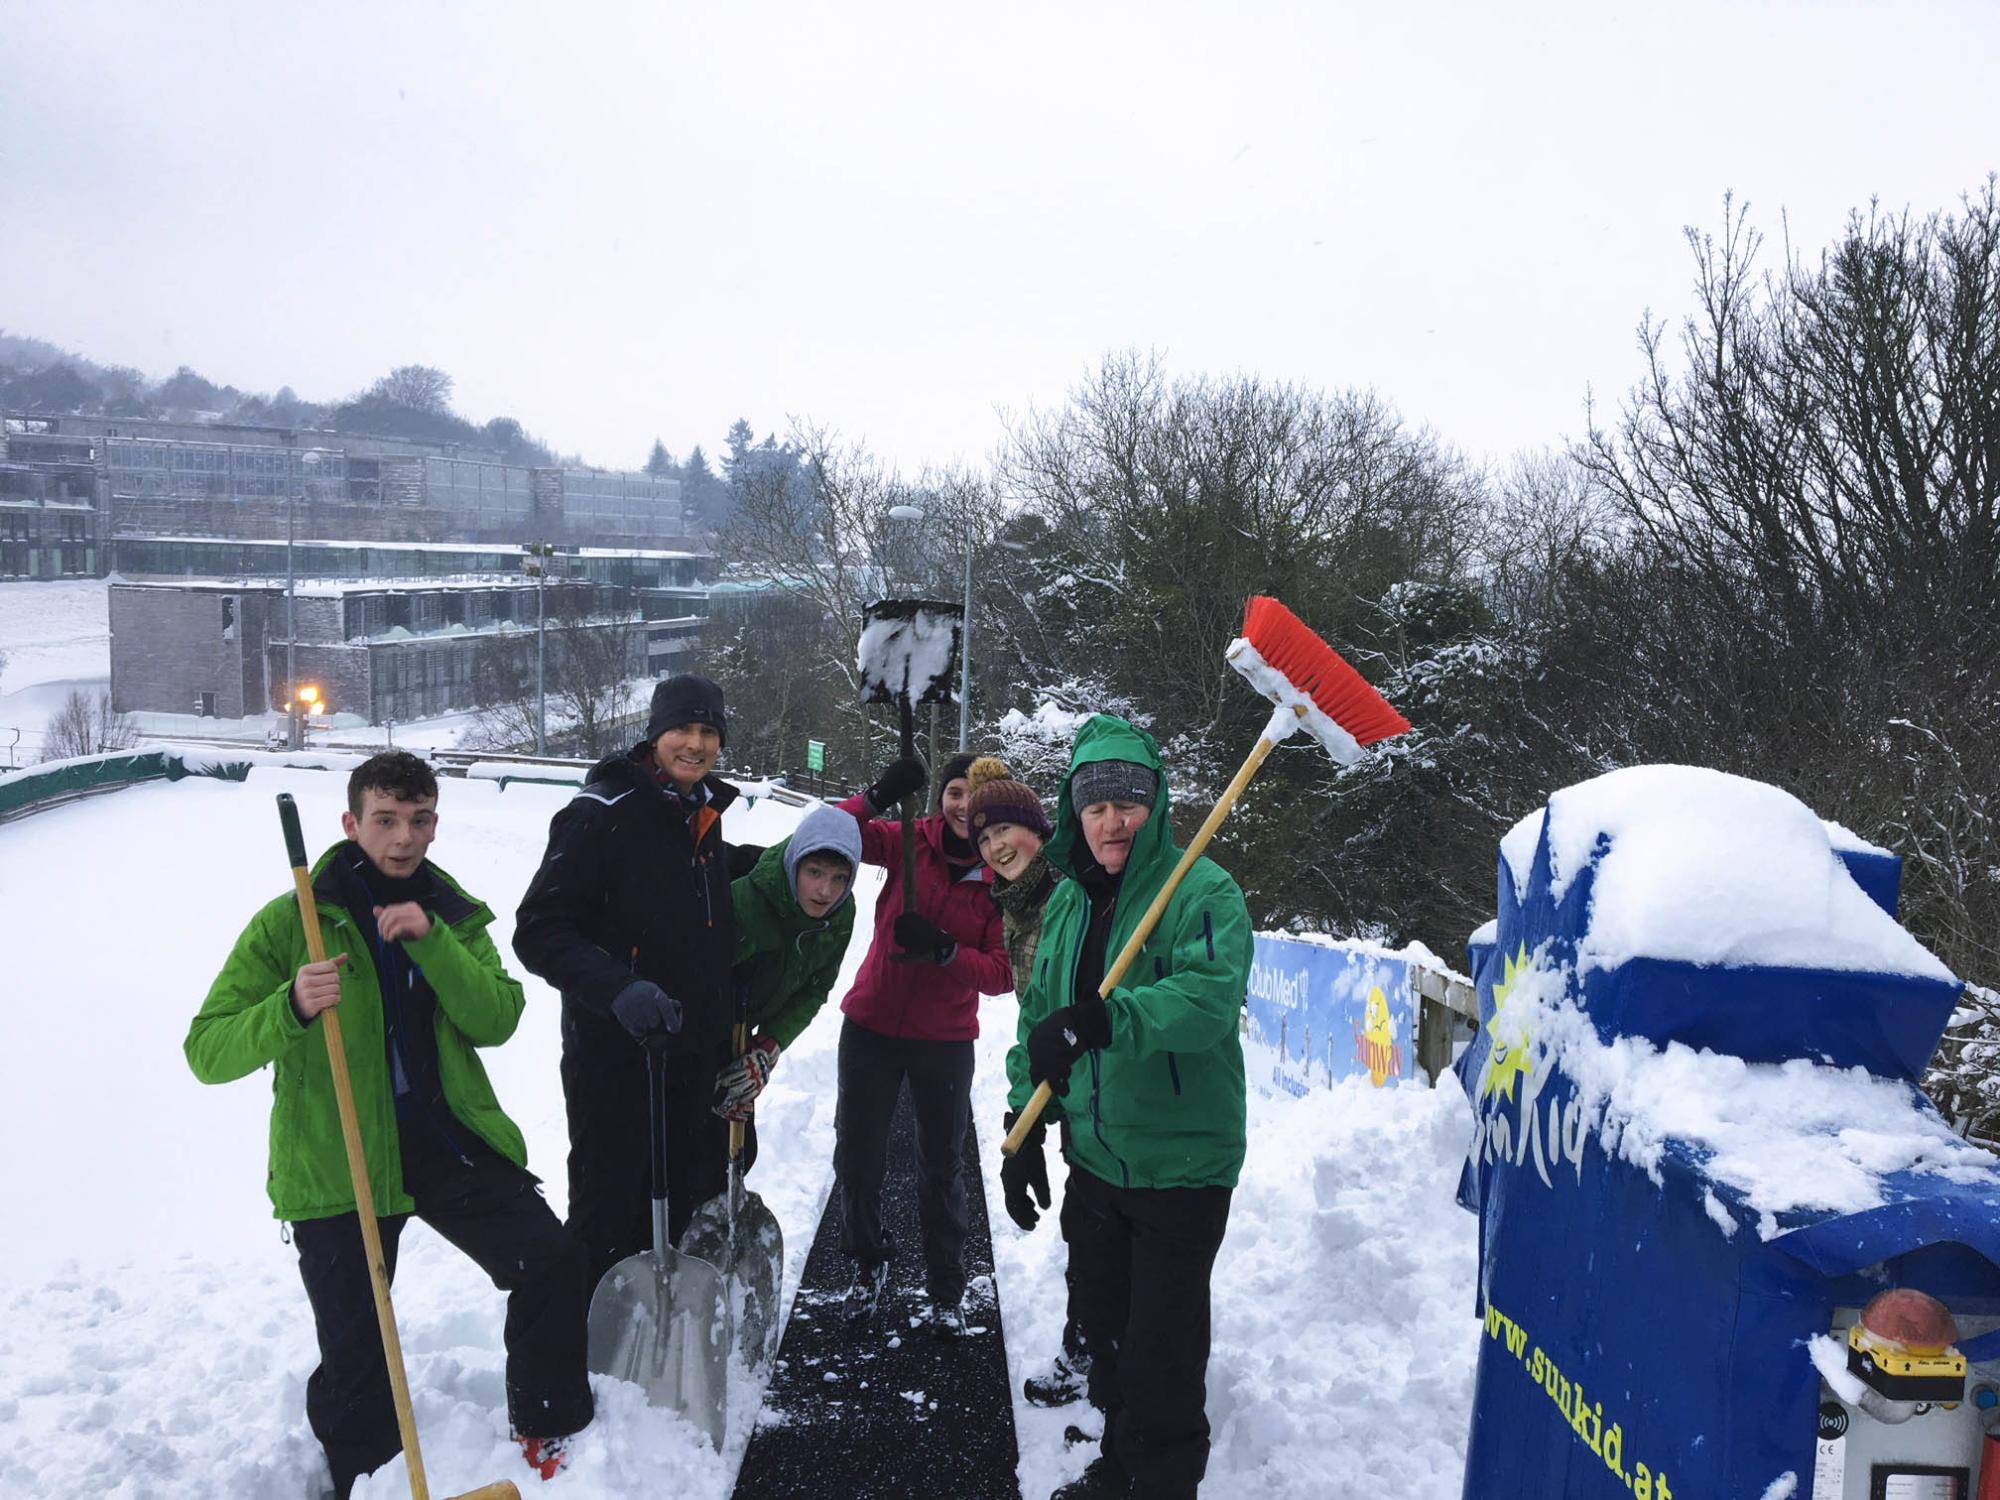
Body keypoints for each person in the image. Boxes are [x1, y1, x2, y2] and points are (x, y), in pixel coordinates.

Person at [185, 752, 592, 1496]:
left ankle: (545, 1424)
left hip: (441, 1142)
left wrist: (431, 941)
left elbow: (497, 1018)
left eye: (419, 819)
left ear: (436, 822)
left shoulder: (453, 912)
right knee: (357, 1353)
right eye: (385, 820)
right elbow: (206, 1050)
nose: (403, 837)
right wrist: (292, 1007)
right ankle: (365, 1479)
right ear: (352, 823)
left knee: (551, 1261)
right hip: (338, 1155)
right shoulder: (295, 921)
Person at [1007, 716, 1251, 1500]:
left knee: (1162, 1358)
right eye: (1096, 805)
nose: (1113, 821)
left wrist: (1113, 1016)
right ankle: (1122, 1467)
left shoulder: (1200, 891)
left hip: (1181, 1165)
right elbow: (1038, 1021)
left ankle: (1161, 1483)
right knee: (1107, 1335)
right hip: (1097, 1160)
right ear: (1075, 813)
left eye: (1130, 802)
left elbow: (1208, 1000)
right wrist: (1025, 1128)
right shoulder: (1071, 905)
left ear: (1158, 803)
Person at [513, 674, 751, 1283]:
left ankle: (669, 1348)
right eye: (681, 729)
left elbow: (694, 900)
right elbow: (539, 929)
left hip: (692, 1056)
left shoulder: (699, 813)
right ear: (655, 736)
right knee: (611, 1212)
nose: (694, 744)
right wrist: (620, 988)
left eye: (707, 732)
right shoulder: (600, 814)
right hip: (618, 1064)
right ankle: (594, 1348)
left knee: (690, 1202)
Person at [834, 749, 1014, 1333]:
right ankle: (866, 1263)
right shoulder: (910, 839)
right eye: (954, 791)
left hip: (945, 1039)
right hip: (871, 1025)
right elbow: (834, 837)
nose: (963, 805)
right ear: (941, 797)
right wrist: (881, 793)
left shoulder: (1000, 873)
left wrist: (945, 952)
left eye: (975, 795)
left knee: (941, 1166)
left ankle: (945, 1289)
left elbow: (1001, 972)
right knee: (858, 1157)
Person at [970, 756, 1093, 1410]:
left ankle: (1095, 1353)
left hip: (1109, 1082)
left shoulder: (1070, 889)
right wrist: (1022, 1124)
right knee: (1089, 1230)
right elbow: (1032, 1015)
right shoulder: (1018, 907)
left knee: (1100, 1230)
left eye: (1006, 831)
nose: (995, 846)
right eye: (984, 840)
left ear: (1038, 831)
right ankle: (1090, 1347)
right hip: (1072, 1086)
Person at [711, 802, 864, 1127]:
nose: (825, 891)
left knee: (740, 1150)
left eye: (840, 878)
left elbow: (816, 987)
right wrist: (709, 1064)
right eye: (815, 872)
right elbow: (692, 979)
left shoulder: (840, 915)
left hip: (745, 1037)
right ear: (794, 863)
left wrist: (769, 1044)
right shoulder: (747, 902)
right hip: (699, 1029)